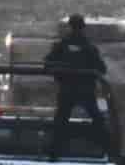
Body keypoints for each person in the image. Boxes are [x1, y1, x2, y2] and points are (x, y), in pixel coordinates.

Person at [43, 13, 107, 151]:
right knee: (97, 120)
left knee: (61, 121)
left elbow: (48, 63)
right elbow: (101, 68)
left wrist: (60, 73)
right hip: (83, 90)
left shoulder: (63, 45)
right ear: (82, 28)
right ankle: (104, 147)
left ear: (70, 27)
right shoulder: (88, 47)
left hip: (69, 90)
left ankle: (55, 150)